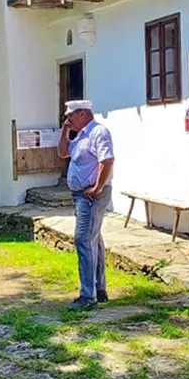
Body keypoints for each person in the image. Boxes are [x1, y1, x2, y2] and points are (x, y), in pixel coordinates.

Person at [58, 99, 115, 310]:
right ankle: (99, 289)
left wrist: (98, 188)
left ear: (82, 114)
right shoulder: (81, 135)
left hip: (91, 195)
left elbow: (107, 161)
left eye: (70, 116)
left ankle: (87, 296)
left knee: (83, 239)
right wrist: (65, 130)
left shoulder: (98, 132)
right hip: (81, 196)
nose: (67, 119)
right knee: (93, 240)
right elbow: (63, 152)